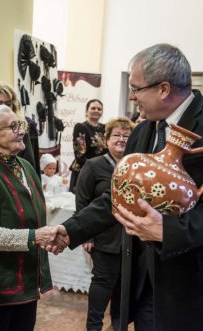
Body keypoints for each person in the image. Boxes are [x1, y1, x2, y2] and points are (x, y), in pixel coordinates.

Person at [53, 43, 203, 331]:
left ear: (163, 89)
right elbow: (118, 197)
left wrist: (168, 230)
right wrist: (70, 229)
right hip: (145, 283)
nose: (132, 96)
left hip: (200, 287)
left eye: (136, 89)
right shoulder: (144, 130)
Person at [0, 105, 63, 331]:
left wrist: (46, 239)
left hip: (24, 283)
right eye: (13, 126)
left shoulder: (26, 166)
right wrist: (35, 237)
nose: (21, 131)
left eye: (21, 124)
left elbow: (31, 219)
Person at [75, 116, 134, 331]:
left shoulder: (136, 166)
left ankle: (119, 327)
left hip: (132, 239)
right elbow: (82, 201)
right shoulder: (93, 165)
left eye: (126, 136)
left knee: (124, 289)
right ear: (107, 140)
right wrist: (86, 234)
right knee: (102, 284)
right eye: (116, 135)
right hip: (103, 238)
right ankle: (94, 327)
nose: (121, 139)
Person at [69, 99, 107, 192]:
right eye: (93, 108)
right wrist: (95, 169)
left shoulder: (106, 128)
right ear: (86, 111)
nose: (96, 110)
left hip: (101, 173)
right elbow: (79, 154)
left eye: (99, 109)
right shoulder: (81, 127)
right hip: (83, 171)